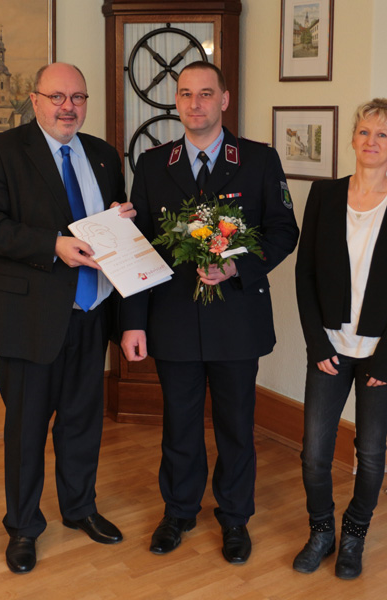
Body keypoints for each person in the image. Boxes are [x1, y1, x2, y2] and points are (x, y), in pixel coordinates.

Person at [121, 61, 299, 565]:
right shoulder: (155, 164)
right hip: (172, 319)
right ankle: (178, 511)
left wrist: (237, 267)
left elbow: (284, 231)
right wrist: (133, 321)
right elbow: (139, 249)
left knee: (236, 426)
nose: (194, 104)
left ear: (224, 100)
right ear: (175, 102)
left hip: (237, 320)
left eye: (205, 93)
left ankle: (236, 517)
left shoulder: (259, 161)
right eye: (185, 94)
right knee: (178, 424)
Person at [0, 62, 134, 574]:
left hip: (92, 312)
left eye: (78, 97)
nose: (69, 107)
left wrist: (122, 225)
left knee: (83, 423)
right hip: (29, 319)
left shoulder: (105, 155)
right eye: (58, 96)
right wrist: (52, 245)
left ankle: (80, 507)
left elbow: (115, 231)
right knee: (26, 428)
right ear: (34, 99)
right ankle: (22, 526)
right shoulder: (1, 151)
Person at [293, 98, 387, 579]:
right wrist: (317, 343)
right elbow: (304, 274)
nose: (372, 142)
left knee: (370, 452)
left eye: (383, 135)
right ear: (353, 138)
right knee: (314, 450)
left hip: (380, 354)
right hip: (329, 348)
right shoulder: (324, 196)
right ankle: (321, 531)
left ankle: (354, 534)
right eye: (365, 132)